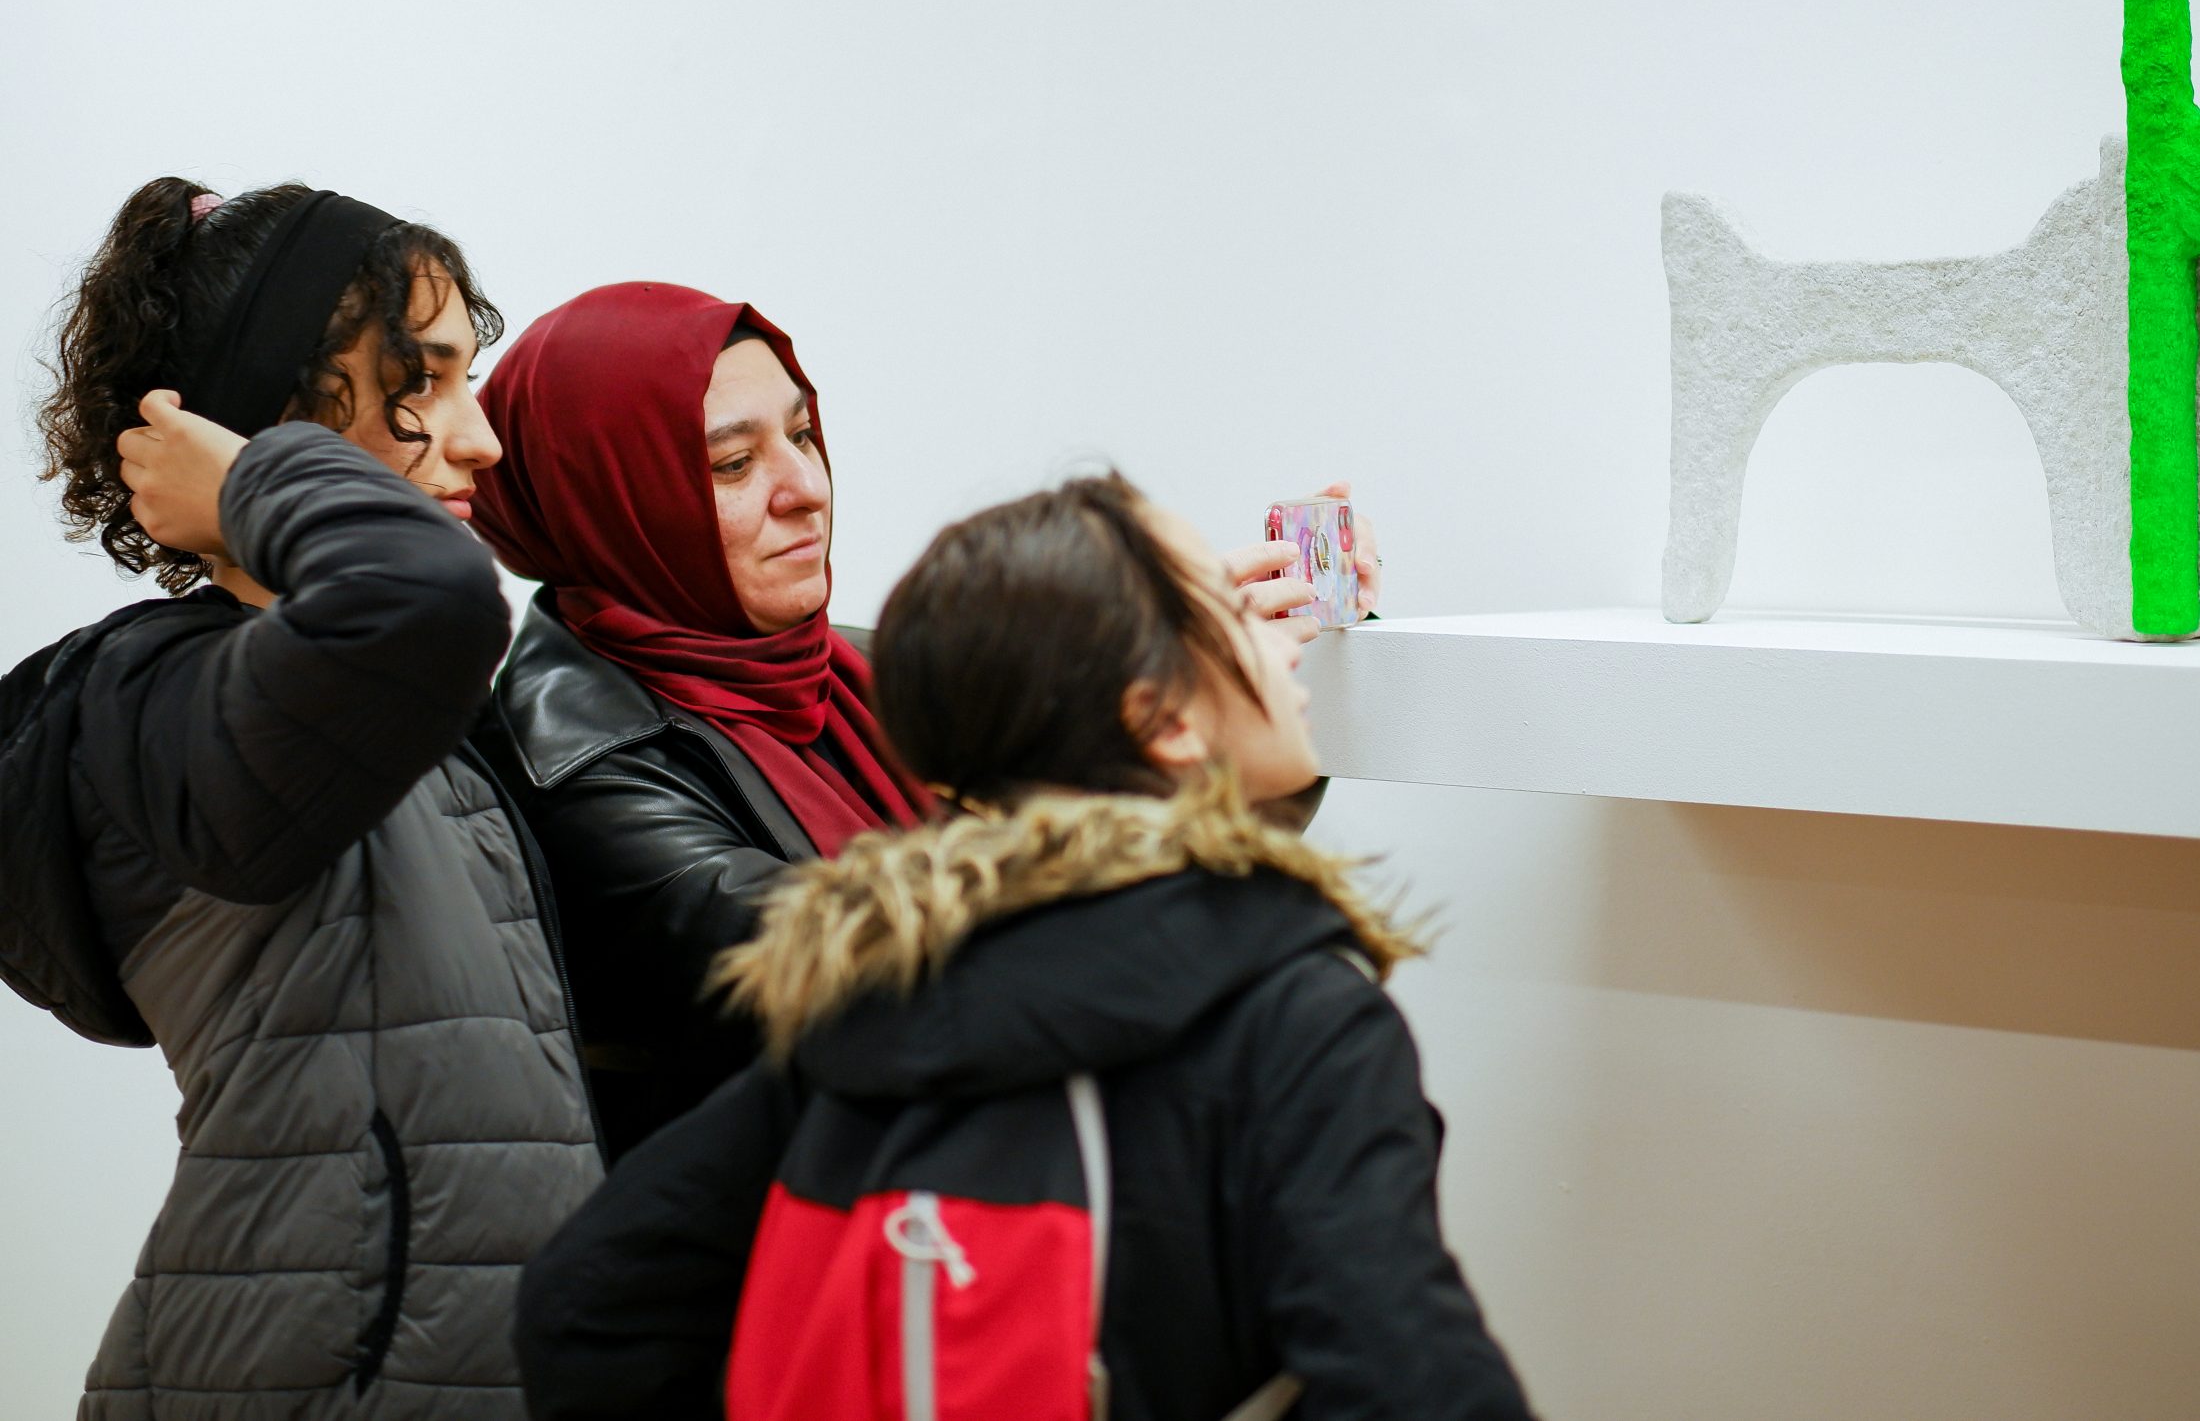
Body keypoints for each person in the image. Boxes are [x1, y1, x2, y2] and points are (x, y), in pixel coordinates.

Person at [514, 473, 1532, 1421]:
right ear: (1162, 721)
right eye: (1235, 621)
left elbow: (584, 1307)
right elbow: (1416, 1385)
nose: (1282, 660)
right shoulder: (1296, 1018)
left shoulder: (878, 998)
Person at [467, 282, 1381, 1160]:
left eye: (803, 434)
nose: (805, 488)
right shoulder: (581, 768)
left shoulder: (856, 667)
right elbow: (906, 972)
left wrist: (1236, 671)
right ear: (610, 499)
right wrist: (1159, 692)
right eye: (733, 463)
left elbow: (1113, 840)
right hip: (807, 1270)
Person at [0, 178, 602, 1419]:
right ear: (266, 424)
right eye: (418, 385)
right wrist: (248, 486)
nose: (480, 439)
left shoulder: (405, 715)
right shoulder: (154, 695)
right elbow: (426, 596)